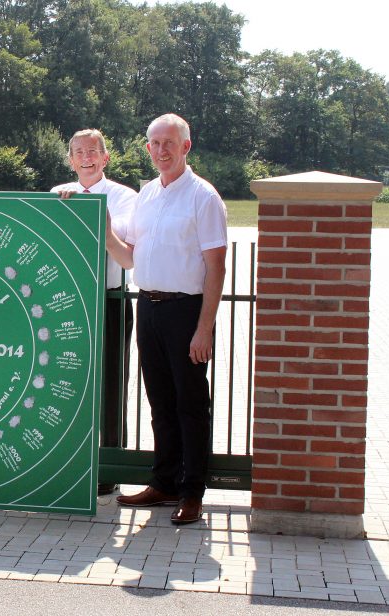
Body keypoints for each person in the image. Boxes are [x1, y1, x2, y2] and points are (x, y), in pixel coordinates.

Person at [105, 114, 227, 525]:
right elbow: (129, 257)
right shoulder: (147, 195)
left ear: (185, 146)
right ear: (147, 148)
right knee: (160, 402)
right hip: (150, 308)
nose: (161, 150)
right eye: (154, 143)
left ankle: (192, 492)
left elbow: (216, 268)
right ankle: (165, 482)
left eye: (169, 142)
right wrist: (104, 229)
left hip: (185, 311)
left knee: (190, 405)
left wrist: (204, 328)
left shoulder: (203, 196)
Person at [52, 128, 138, 497]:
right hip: (67, 307)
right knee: (66, 383)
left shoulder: (124, 197)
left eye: (93, 151)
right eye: (78, 152)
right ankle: (69, 460)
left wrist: (83, 212)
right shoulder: (56, 195)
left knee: (111, 386)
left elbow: (116, 238)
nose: (86, 157)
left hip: (110, 300)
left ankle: (109, 466)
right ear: (70, 160)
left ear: (106, 158)